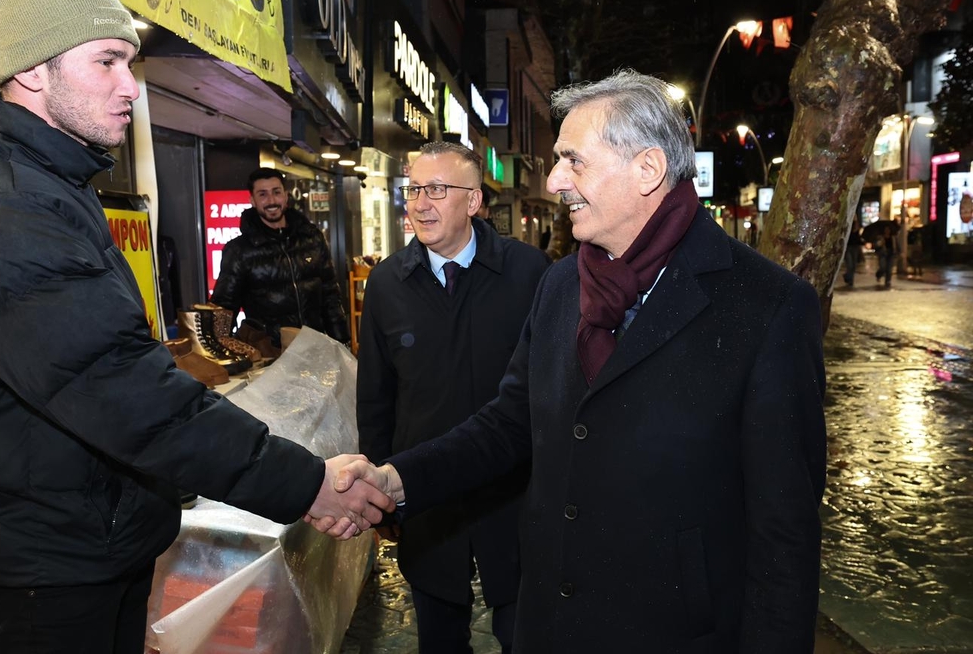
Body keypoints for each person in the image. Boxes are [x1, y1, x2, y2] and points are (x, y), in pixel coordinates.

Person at [0, 0, 390, 652]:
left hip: (70, 544)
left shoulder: (45, 185)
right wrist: (307, 485)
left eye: (131, 62)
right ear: (33, 71)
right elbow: (122, 390)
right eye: (106, 62)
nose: (130, 86)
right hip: (42, 570)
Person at [324, 70, 827, 652]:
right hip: (550, 622)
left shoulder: (768, 306)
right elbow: (507, 424)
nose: (556, 180)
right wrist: (395, 479)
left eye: (573, 160)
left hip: (675, 632)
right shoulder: (562, 285)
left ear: (647, 168)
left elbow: (784, 533)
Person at [357, 142, 549, 653]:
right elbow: (375, 398)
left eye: (437, 190)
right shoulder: (385, 284)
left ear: (474, 201)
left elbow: (554, 390)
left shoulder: (530, 274)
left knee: (524, 636)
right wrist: (381, 494)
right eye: (414, 189)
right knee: (440, 643)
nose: (421, 203)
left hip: (514, 495)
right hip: (426, 497)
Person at [211, 168, 350, 349]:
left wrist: (343, 342)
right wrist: (219, 354)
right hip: (270, 354)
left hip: (315, 348)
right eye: (263, 194)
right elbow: (224, 308)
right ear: (252, 200)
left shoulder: (311, 238)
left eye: (276, 192)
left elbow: (330, 295)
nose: (271, 201)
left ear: (285, 196)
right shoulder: (239, 250)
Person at [842, 218, 862, 287]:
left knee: (853, 265)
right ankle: (848, 277)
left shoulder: (857, 229)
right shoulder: (847, 226)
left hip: (855, 247)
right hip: (848, 247)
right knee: (850, 264)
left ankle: (851, 280)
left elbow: (858, 238)